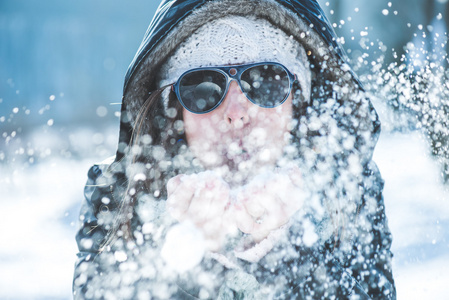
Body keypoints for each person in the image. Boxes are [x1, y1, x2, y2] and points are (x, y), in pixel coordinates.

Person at [73, 0, 396, 299]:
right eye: (203, 88)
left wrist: (286, 256)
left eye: (265, 81)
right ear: (174, 113)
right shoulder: (121, 197)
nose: (236, 112)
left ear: (297, 100)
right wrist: (192, 261)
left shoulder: (348, 188)